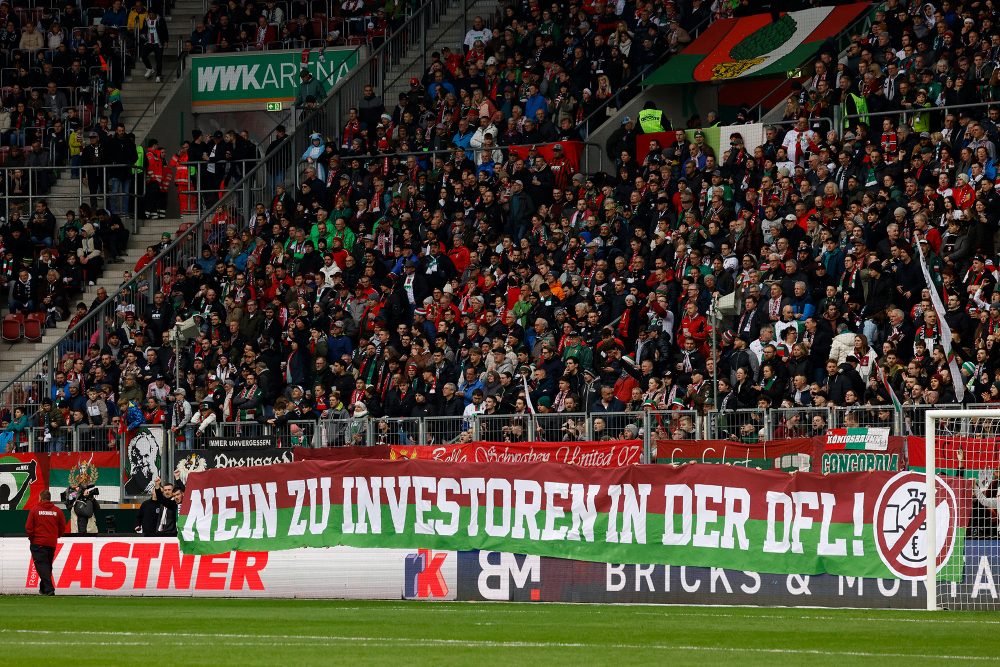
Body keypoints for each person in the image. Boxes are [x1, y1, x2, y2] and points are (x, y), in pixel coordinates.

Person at [25, 490, 66, 595]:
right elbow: (62, 527)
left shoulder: (35, 510)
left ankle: (49, 589)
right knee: (47, 566)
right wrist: (56, 536)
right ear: (49, 498)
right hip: (51, 543)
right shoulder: (58, 511)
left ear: (40, 498)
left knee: (42, 566)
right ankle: (43, 589)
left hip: (38, 542)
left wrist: (32, 539)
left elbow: (29, 527)